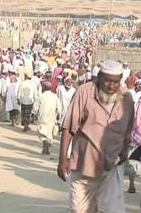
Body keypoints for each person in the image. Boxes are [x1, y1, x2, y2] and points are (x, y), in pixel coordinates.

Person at [57, 60, 134, 213]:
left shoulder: (127, 98)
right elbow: (68, 127)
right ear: (99, 77)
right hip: (84, 164)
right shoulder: (84, 92)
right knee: (80, 210)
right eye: (107, 81)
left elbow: (128, 131)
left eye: (115, 82)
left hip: (112, 166)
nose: (111, 86)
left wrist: (124, 153)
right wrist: (62, 159)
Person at [33, 82, 61, 155]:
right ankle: (47, 146)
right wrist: (58, 115)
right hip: (52, 117)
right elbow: (59, 108)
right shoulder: (55, 96)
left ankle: (45, 142)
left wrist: (34, 113)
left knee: (42, 131)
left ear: (43, 88)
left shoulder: (41, 96)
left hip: (43, 116)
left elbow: (35, 108)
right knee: (49, 132)